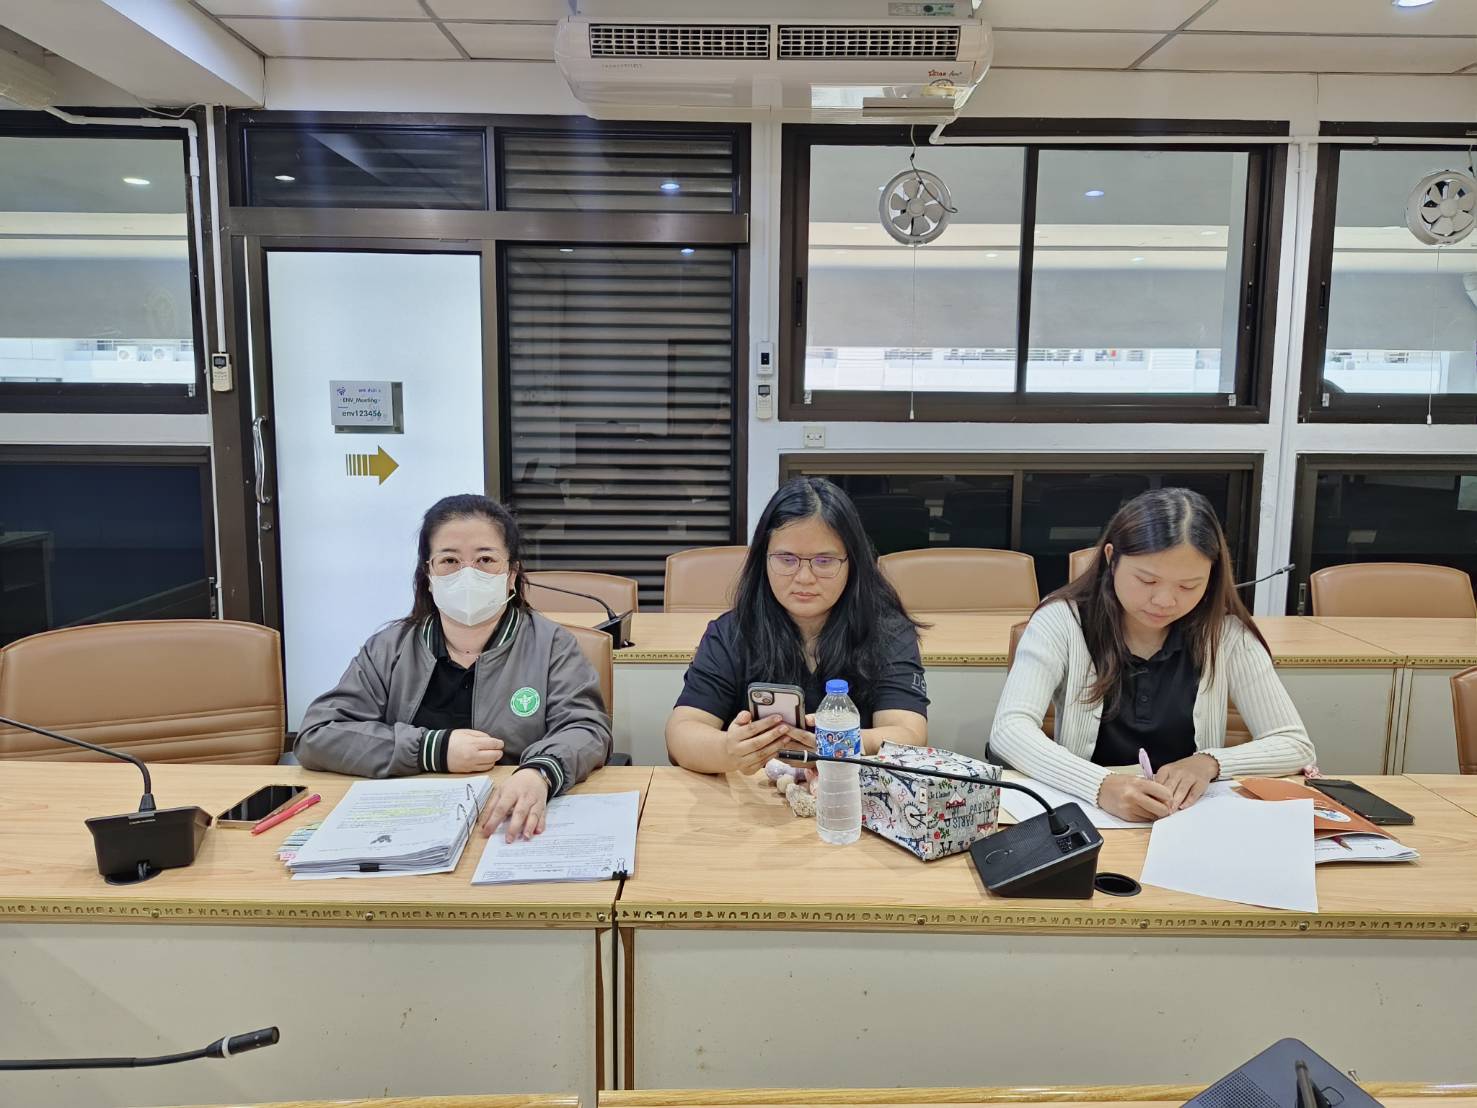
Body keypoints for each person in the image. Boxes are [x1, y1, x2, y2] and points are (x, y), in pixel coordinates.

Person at [296, 494, 612, 841]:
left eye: (485, 559)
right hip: (407, 822)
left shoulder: (551, 644)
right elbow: (319, 735)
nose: (467, 574)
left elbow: (586, 729)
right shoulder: (390, 648)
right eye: (449, 560)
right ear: (428, 574)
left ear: (511, 574)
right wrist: (433, 749)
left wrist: (540, 772)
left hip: (509, 819)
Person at [990, 487, 1314, 823]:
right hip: (1092, 816)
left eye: (1188, 586)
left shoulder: (1226, 633)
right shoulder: (1062, 620)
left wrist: (1209, 763)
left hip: (1187, 819)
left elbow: (1294, 744)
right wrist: (1100, 785)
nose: (1165, 601)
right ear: (1111, 558)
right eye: (1147, 580)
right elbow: (1008, 731)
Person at [665, 477, 929, 774]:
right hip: (752, 796)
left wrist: (837, 745)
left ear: (852, 562)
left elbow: (909, 735)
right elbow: (681, 732)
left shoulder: (888, 632)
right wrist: (727, 750)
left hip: (849, 792)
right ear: (763, 559)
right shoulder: (732, 632)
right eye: (786, 559)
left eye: (824, 561)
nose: (804, 577)